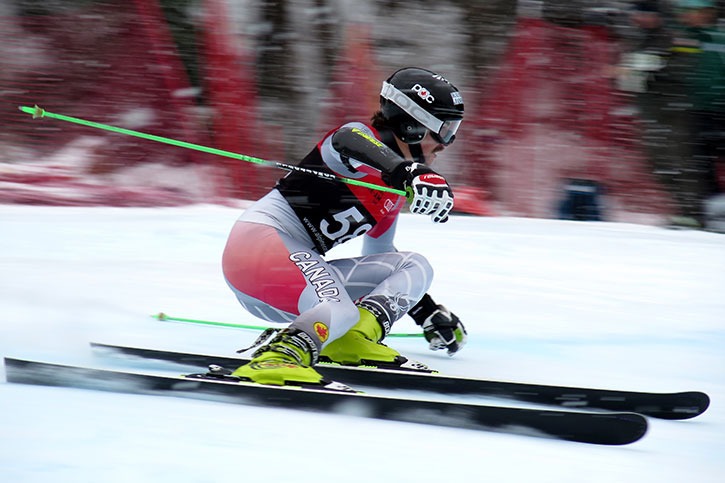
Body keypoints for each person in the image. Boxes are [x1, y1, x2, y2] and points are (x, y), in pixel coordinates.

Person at [221, 67, 468, 387]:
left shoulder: (392, 194)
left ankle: (351, 338)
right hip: (256, 248)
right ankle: (281, 357)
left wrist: (427, 313)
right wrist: (409, 171)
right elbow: (346, 140)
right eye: (445, 130)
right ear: (414, 127)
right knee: (340, 307)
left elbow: (381, 260)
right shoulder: (358, 141)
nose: (446, 144)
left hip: (294, 284)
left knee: (415, 265)